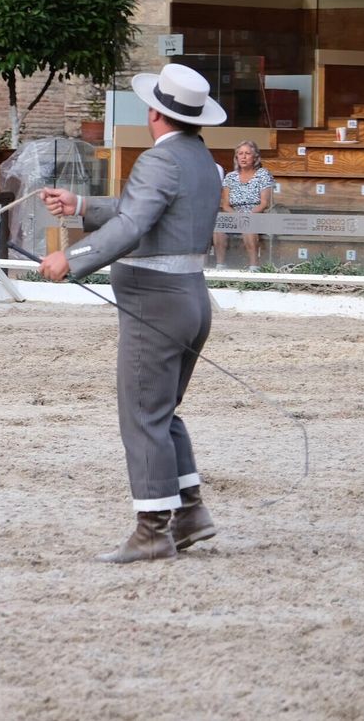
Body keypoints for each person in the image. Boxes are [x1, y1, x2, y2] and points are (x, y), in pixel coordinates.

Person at [37, 63, 225, 564]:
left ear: (155, 113)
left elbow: (133, 224)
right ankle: (190, 512)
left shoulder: (158, 160)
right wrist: (81, 205)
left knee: (142, 415)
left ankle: (152, 532)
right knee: (162, 412)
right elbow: (140, 207)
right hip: (191, 297)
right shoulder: (202, 161)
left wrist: (71, 257)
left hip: (154, 301)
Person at [213, 141, 276, 269]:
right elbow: (225, 205)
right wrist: (237, 216)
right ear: (236, 157)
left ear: (255, 157)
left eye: (247, 153)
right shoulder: (230, 177)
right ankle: (220, 266)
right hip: (234, 215)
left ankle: (254, 267)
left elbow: (264, 203)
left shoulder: (263, 174)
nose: (243, 157)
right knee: (219, 227)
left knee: (248, 225)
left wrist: (247, 216)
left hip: (257, 214)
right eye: (240, 154)